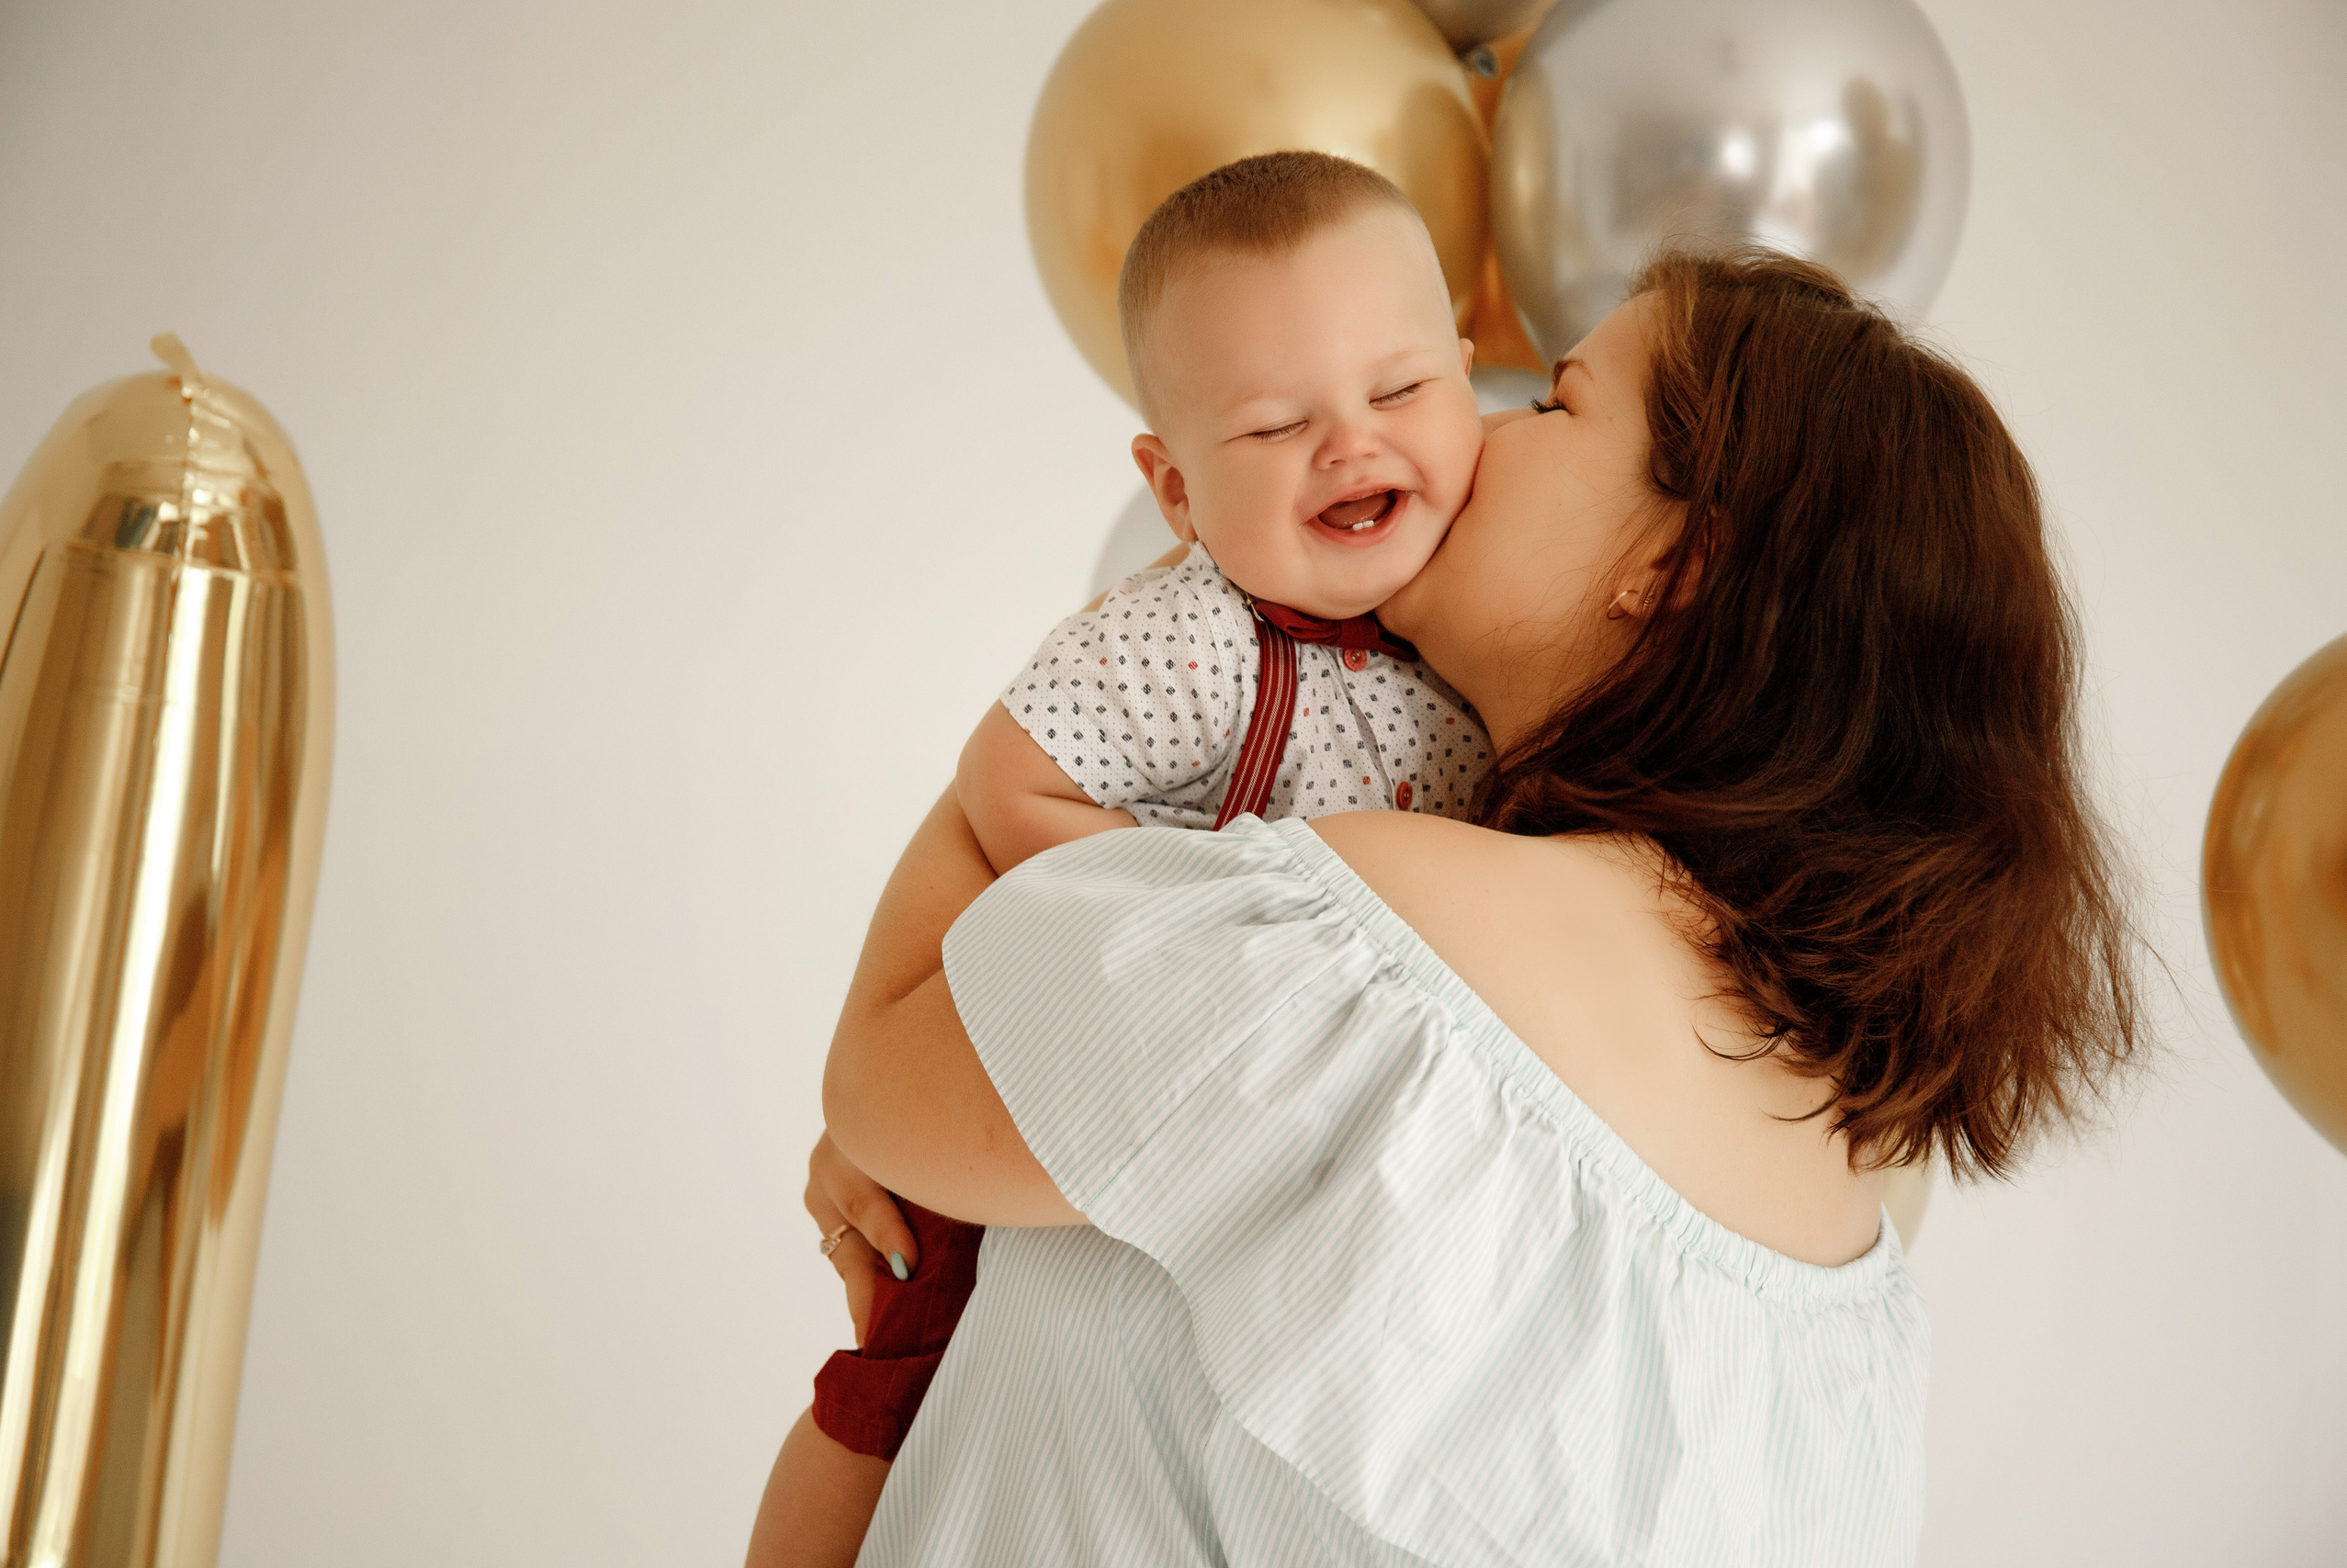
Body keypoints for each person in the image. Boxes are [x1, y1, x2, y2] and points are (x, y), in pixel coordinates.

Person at [751, 245, 2144, 1565]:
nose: (1479, 430)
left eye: (1556, 403)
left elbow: (880, 1079)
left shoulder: (1378, 943)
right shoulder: (1851, 1256)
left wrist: (1074, 708)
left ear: (1673, 568)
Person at [756, 150, 1495, 1555]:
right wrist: (1184, 906)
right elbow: (1009, 776)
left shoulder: (1484, 608)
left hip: (1312, 1127)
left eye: (1401, 390)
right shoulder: (1200, 636)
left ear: (1471, 385)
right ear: (1175, 490)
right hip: (1100, 1060)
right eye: (1276, 425)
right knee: (897, 1374)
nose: (1351, 447)